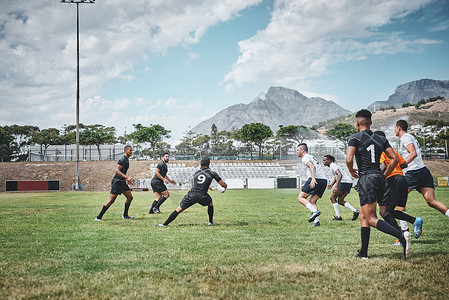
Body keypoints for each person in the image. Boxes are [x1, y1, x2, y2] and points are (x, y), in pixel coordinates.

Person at [346, 109, 410, 259]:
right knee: (363, 215)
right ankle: (363, 252)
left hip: (366, 178)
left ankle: (401, 235)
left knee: (371, 218)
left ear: (357, 123)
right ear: (371, 123)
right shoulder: (380, 138)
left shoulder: (355, 137)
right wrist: (384, 175)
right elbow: (394, 159)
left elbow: (349, 159)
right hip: (380, 178)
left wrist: (351, 171)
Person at [374, 131, 423, 243]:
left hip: (392, 180)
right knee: (388, 211)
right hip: (402, 179)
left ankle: (401, 236)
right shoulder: (391, 150)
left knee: (383, 211)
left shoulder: (380, 149)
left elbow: (382, 166)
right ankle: (414, 221)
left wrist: (379, 178)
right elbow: (404, 164)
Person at [395, 120, 449, 218]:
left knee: (398, 199)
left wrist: (403, 165)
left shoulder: (405, 137)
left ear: (399, 128)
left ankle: (404, 231)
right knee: (431, 201)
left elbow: (413, 153)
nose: (394, 130)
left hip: (413, 172)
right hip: (423, 171)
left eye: (395, 128)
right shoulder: (411, 137)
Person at [155, 157, 227, 227]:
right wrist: (225, 186)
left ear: (201, 164)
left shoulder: (197, 173)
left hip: (192, 194)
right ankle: (210, 222)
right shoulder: (212, 173)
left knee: (178, 209)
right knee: (210, 204)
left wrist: (208, 187)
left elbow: (197, 184)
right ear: (209, 164)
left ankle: (164, 224)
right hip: (202, 196)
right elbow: (222, 184)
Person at [95, 145, 135, 221]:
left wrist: (126, 179)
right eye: (130, 150)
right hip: (117, 182)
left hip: (122, 182)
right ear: (126, 151)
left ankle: (125, 215)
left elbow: (122, 172)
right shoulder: (122, 159)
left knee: (130, 198)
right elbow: (117, 170)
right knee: (111, 200)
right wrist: (127, 177)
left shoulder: (127, 160)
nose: (131, 152)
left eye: (132, 150)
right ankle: (99, 217)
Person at [297, 143, 328, 227]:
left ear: (302, 150)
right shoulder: (311, 156)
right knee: (312, 201)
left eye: (297, 150)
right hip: (323, 180)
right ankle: (316, 222)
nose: (297, 152)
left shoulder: (305, 157)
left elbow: (312, 166)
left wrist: (313, 178)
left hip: (316, 179)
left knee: (301, 197)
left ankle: (315, 212)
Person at [322, 155, 359, 221]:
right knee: (340, 201)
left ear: (329, 160)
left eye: (325, 160)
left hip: (344, 183)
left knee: (332, 198)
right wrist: (332, 184)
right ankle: (355, 211)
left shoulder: (333, 166)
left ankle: (338, 217)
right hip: (348, 183)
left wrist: (336, 186)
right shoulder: (332, 166)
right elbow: (336, 176)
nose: (323, 162)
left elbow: (340, 175)